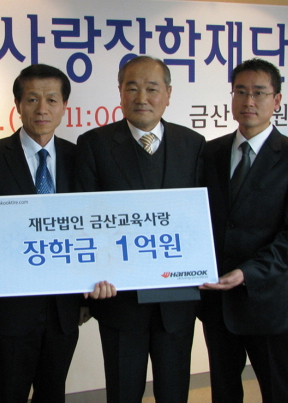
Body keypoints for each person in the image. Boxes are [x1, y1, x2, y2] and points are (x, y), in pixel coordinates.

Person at [0, 64, 115, 403]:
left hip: (63, 309)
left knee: (53, 393)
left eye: (52, 99)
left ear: (64, 106)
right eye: (32, 99)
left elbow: (92, 223)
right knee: (10, 393)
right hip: (11, 308)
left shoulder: (78, 157)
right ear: (18, 104)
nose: (42, 109)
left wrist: (93, 284)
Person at [74, 55, 205, 403]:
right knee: (123, 392)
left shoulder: (193, 145)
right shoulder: (94, 144)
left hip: (176, 299)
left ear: (168, 94)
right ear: (120, 92)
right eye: (132, 88)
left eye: (152, 88)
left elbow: (199, 220)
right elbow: (84, 220)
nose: (141, 97)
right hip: (120, 300)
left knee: (174, 392)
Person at [199, 58, 288, 403]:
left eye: (259, 93)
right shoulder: (210, 152)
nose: (248, 101)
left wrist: (247, 273)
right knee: (223, 391)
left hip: (268, 301)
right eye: (240, 92)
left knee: (276, 391)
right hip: (218, 302)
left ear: (276, 100)